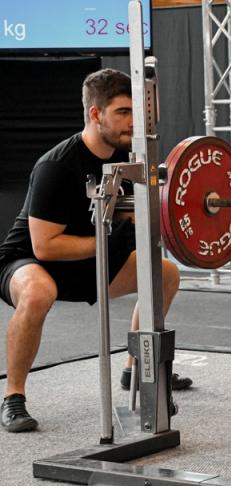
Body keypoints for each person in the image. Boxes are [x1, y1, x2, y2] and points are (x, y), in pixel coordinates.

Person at [0, 68, 189, 433]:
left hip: (91, 257)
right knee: (38, 292)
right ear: (95, 114)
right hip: (30, 261)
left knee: (163, 274)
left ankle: (138, 370)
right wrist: (111, 240)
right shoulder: (57, 166)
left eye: (136, 112)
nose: (132, 122)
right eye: (123, 112)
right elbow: (45, 246)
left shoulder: (131, 160)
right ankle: (13, 396)